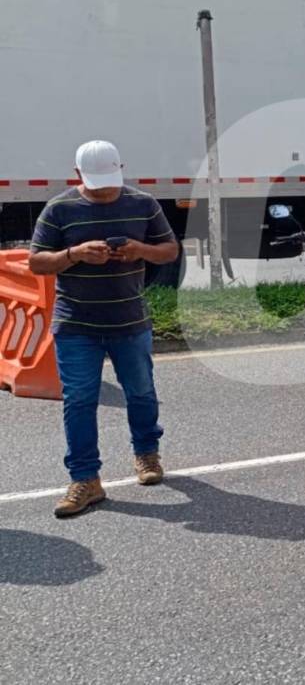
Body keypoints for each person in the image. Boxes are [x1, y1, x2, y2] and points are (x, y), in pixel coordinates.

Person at [28, 140, 180, 518]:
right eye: (97, 184)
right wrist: (73, 254)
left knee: (141, 391)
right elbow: (36, 263)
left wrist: (140, 250)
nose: (106, 190)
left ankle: (147, 454)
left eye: (111, 181)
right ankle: (85, 479)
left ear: (121, 170)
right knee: (79, 401)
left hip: (130, 321)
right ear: (77, 175)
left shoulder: (143, 203)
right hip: (76, 323)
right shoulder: (59, 209)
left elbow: (170, 249)